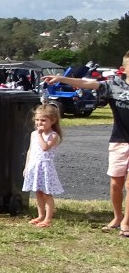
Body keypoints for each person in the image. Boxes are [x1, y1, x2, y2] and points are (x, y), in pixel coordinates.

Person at [44, 52, 129, 235]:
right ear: (125, 68)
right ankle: (117, 216)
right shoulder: (114, 85)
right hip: (119, 141)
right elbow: (86, 83)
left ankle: (126, 224)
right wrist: (61, 78)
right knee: (116, 183)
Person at [22, 103, 64, 228]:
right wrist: (27, 166)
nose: (39, 123)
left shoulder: (53, 136)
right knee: (38, 192)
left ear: (53, 120)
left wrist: (40, 135)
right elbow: (30, 150)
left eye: (43, 120)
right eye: (37, 120)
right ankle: (40, 215)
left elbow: (45, 147)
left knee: (46, 193)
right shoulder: (33, 134)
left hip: (45, 167)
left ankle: (48, 218)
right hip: (35, 165)